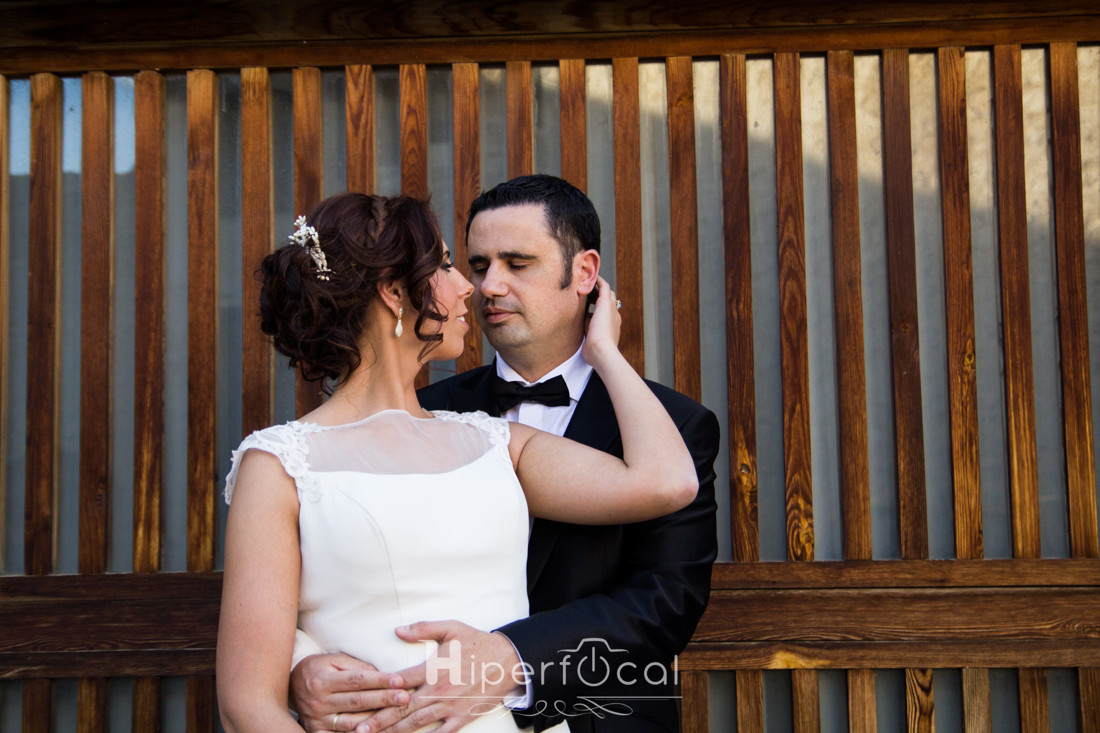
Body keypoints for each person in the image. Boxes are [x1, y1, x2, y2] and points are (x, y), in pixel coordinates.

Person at [215, 190, 700, 733]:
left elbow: (667, 483)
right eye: (451, 265)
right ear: (394, 293)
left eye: (516, 264)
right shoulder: (280, 462)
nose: (475, 286)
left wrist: (605, 351)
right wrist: (299, 660)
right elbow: (246, 704)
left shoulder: (496, 441)